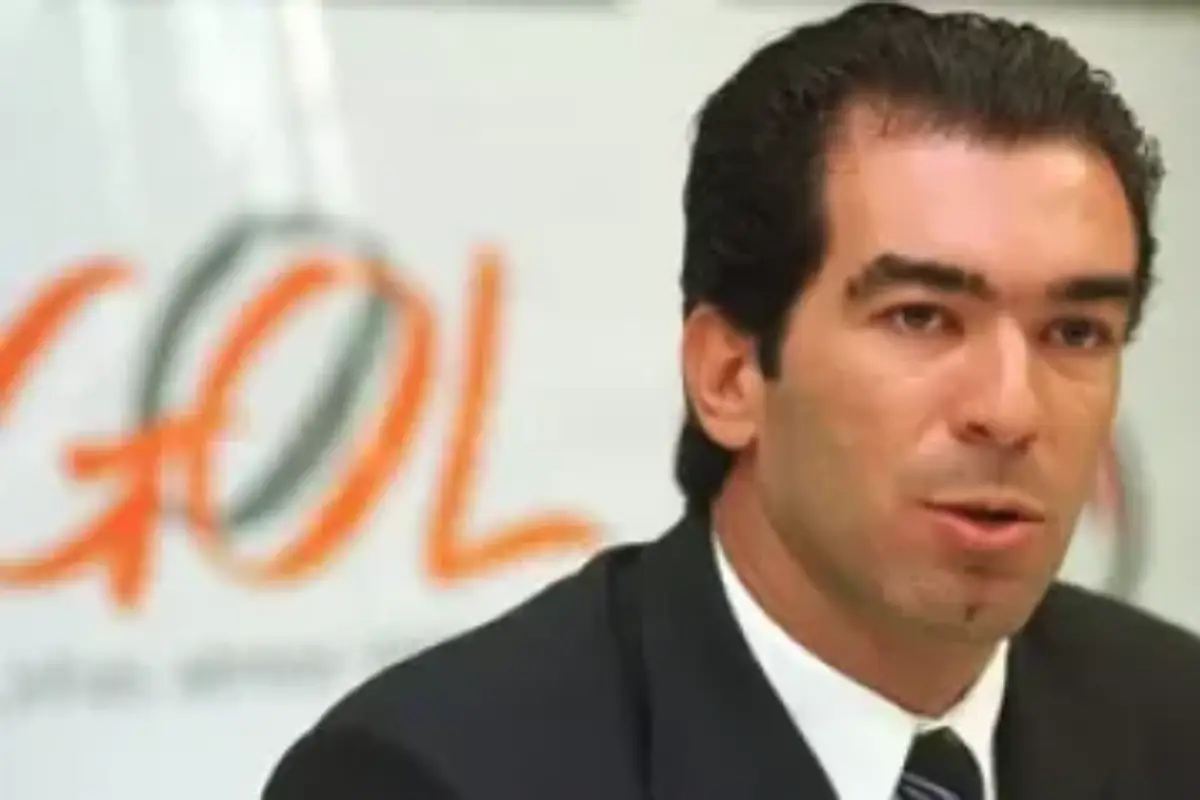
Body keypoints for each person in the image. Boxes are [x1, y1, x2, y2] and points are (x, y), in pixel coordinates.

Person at [262, 3, 1200, 799]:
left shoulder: (1176, 718)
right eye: (921, 317)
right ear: (729, 376)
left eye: (1075, 332)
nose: (1010, 409)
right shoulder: (433, 776)